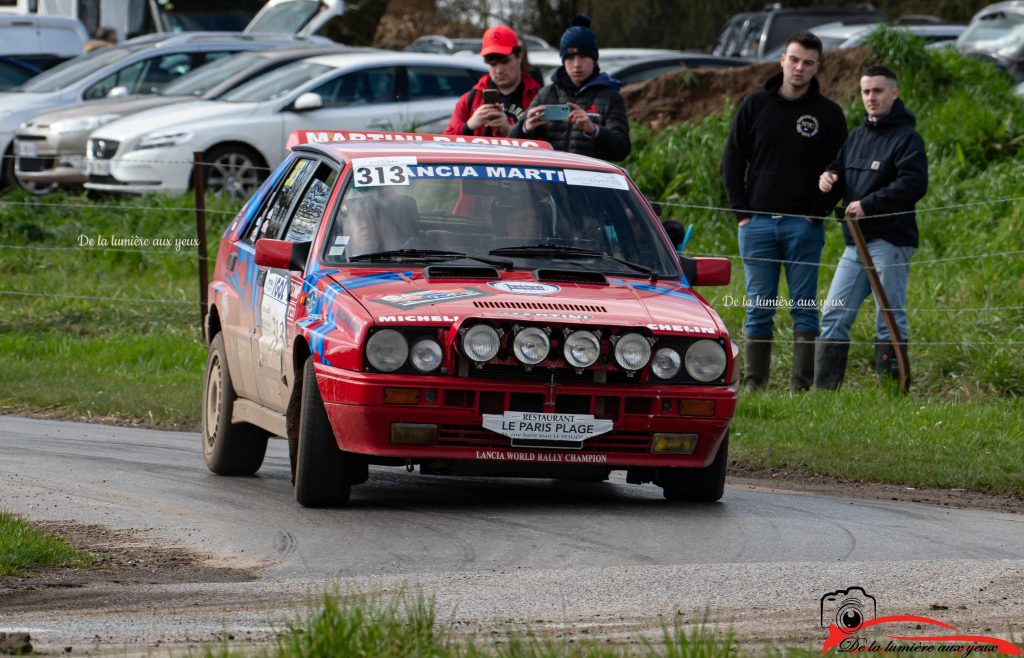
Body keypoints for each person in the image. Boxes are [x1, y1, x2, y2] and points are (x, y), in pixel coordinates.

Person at [719, 31, 848, 393]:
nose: (799, 68)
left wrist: (816, 214)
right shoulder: (755, 105)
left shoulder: (829, 114)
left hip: (803, 228)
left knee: (804, 308)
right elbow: (731, 161)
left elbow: (841, 170)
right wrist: (741, 214)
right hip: (756, 225)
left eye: (808, 62)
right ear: (782, 61)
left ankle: (800, 388)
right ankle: (755, 386)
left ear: (817, 66)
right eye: (794, 60)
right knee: (759, 308)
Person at [815, 65, 928, 390]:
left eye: (878, 91)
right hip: (855, 243)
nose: (871, 98)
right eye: (866, 91)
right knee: (834, 313)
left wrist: (869, 205)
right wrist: (829, 178)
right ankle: (823, 395)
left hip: (891, 240)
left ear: (894, 93)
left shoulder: (908, 138)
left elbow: (914, 184)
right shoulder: (858, 135)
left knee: (888, 316)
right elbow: (839, 169)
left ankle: (894, 391)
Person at [510, 15, 630, 161]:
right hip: (552, 180)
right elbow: (512, 143)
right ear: (563, 60)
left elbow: (622, 150)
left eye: (583, 57)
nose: (576, 64)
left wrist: (593, 130)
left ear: (594, 58)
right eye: (570, 58)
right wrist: (526, 129)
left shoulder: (610, 96)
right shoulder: (547, 94)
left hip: (590, 179)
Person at [444, 25, 541, 138]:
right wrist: (469, 127)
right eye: (492, 64)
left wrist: (510, 130)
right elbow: (446, 142)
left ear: (519, 56)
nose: (499, 70)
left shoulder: (538, 98)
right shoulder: (469, 100)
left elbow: (550, 145)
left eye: (505, 62)